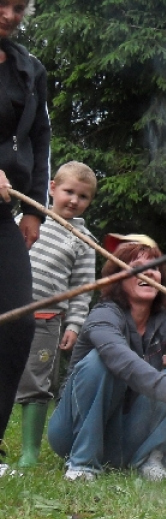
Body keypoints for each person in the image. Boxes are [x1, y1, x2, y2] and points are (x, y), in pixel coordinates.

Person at [47, 237, 166, 481]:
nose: (149, 272)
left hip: (125, 435)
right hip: (71, 432)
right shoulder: (103, 315)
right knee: (101, 360)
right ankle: (82, 463)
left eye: (155, 267)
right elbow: (123, 361)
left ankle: (151, 458)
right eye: (137, 265)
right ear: (117, 278)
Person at [12, 161, 97, 468]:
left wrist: (74, 324)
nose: (74, 200)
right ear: (52, 188)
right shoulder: (27, 218)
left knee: (36, 381)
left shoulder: (85, 243)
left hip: (46, 321)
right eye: (68, 191)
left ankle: (30, 452)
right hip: (9, 311)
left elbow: (82, 288)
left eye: (83, 196)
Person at [0, 0, 50, 476]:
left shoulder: (28, 70)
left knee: (16, 322)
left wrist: (34, 208)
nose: (9, 13)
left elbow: (39, 138)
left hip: (3, 213)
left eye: (17, 6)